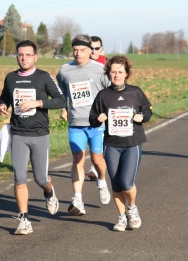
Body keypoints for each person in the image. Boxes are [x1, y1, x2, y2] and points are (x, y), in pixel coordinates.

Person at [0, 40, 65, 235]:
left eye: (28, 54)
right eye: (20, 54)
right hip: (18, 134)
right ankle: (24, 220)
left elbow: (60, 100)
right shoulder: (10, 78)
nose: (24, 58)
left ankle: (49, 191)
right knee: (19, 178)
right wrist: (3, 105)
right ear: (17, 56)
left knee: (41, 178)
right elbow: (4, 96)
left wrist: (37, 103)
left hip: (39, 134)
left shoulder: (43, 77)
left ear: (35, 57)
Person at [89, 55, 152, 232]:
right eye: (113, 72)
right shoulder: (103, 95)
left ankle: (132, 209)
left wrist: (142, 116)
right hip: (111, 145)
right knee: (116, 184)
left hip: (132, 143)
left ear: (126, 74)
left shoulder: (135, 92)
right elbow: (93, 117)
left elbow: (147, 110)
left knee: (126, 182)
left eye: (120, 72)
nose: (116, 75)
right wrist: (98, 118)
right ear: (108, 73)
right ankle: (121, 217)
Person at [56, 34, 111, 216]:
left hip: (96, 124)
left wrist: (107, 112)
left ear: (90, 51)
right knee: (78, 160)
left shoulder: (100, 69)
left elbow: (110, 92)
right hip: (76, 123)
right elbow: (61, 91)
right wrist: (64, 107)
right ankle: (77, 198)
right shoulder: (64, 70)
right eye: (75, 50)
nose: (78, 53)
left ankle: (102, 181)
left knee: (97, 159)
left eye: (82, 50)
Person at [87, 35, 107, 181]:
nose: (93, 51)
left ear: (101, 49)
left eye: (97, 48)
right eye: (91, 48)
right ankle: (97, 164)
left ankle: (96, 166)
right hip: (87, 109)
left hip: (104, 107)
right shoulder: (82, 64)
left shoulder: (106, 65)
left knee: (105, 138)